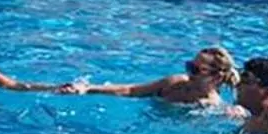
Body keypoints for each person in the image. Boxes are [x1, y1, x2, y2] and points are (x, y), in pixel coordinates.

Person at [64, 45, 239, 107]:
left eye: (195, 69)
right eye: (189, 66)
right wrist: (88, 88)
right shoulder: (174, 83)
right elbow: (131, 90)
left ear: (216, 77)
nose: (188, 73)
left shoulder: (212, 108)